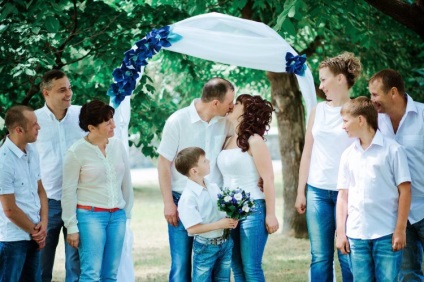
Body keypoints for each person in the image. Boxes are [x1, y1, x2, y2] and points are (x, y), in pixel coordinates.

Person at [157, 77, 235, 281]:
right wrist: (168, 203)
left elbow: (237, 149)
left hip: (212, 202)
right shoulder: (178, 121)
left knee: (212, 265)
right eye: (229, 102)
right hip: (180, 199)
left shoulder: (225, 122)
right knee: (181, 263)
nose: (232, 106)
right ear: (216, 103)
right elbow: (163, 163)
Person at [294, 52, 361, 282]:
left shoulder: (359, 111)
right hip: (317, 192)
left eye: (324, 79)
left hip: (349, 192)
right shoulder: (318, 111)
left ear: (340, 79)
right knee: (320, 257)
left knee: (347, 254)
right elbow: (308, 153)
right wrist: (301, 191)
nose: (321, 86)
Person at [336, 96, 411, 281]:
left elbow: (405, 191)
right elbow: (343, 196)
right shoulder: (347, 155)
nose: (343, 126)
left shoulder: (393, 150)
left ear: (361, 119)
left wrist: (400, 230)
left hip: (386, 234)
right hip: (356, 236)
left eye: (346, 121)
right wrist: (341, 232)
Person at [61, 99, 134, 281]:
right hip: (90, 217)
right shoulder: (76, 152)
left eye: (112, 119)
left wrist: (126, 212)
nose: (113, 125)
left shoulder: (117, 146)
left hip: (117, 217)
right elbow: (68, 192)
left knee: (110, 275)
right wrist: (71, 226)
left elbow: (126, 182)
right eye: (107, 122)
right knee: (91, 274)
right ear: (91, 127)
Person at [369, 69, 424, 281]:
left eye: (375, 95)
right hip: (398, 213)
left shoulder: (422, 116)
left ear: (393, 92)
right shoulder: (375, 123)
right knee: (408, 274)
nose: (372, 100)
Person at [217, 94, 279, 281]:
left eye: (237, 103)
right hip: (230, 211)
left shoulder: (254, 141)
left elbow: (268, 178)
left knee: (251, 267)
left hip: (254, 209)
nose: (232, 105)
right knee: (236, 266)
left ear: (247, 112)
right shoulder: (227, 140)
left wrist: (271, 214)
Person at [34, 69, 84, 282]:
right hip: (47, 203)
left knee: (77, 266)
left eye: (70, 88)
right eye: (62, 90)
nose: (69, 93)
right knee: (41, 266)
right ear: (46, 93)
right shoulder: (33, 120)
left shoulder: (83, 115)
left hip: (80, 200)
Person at [175, 147, 238, 281]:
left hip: (225, 243)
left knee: (223, 279)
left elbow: (221, 211)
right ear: (194, 171)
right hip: (205, 247)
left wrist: (230, 219)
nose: (209, 161)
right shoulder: (188, 198)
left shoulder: (212, 186)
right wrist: (219, 224)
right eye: (204, 161)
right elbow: (193, 228)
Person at [0, 105, 48, 281]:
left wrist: (43, 223)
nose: (39, 127)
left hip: (34, 235)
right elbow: (9, 209)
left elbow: (41, 191)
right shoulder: (3, 162)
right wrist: (36, 233)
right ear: (19, 130)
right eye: (34, 124)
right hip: (13, 239)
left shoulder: (32, 152)